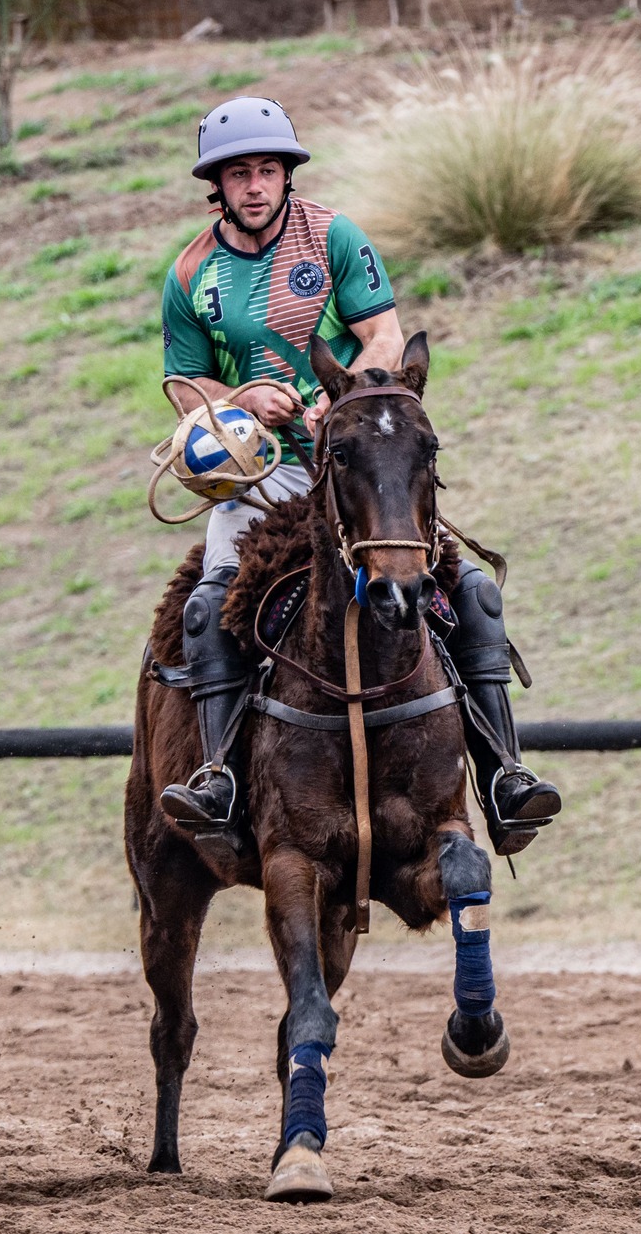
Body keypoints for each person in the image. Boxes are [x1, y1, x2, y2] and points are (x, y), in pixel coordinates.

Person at [156, 96, 560, 854]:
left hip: (362, 467)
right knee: (210, 606)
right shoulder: (190, 271)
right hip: (258, 476)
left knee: (466, 590)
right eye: (238, 173)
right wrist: (241, 399)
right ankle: (216, 775)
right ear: (218, 183)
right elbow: (185, 386)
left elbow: (384, 335)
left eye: (267, 170)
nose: (253, 185)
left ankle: (504, 774)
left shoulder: (336, 237)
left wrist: (337, 398)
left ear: (286, 174)